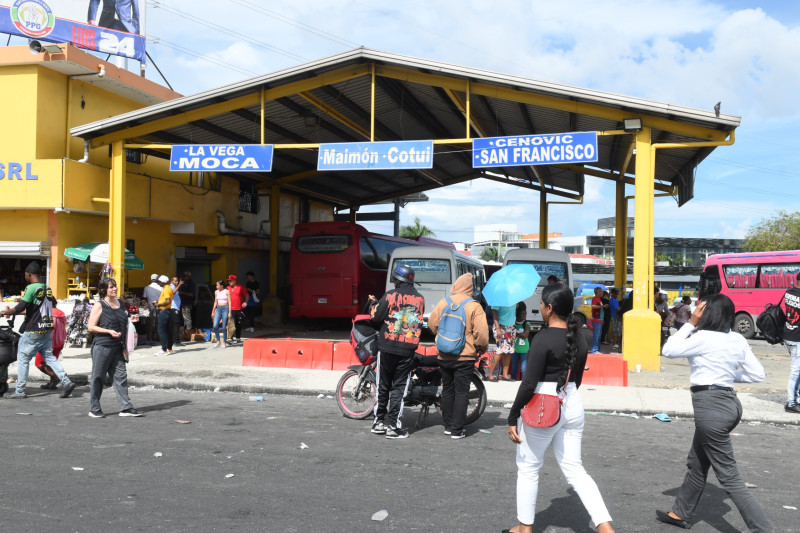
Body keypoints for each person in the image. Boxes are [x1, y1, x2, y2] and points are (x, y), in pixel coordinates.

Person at [505, 283, 614, 533]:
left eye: (542, 304)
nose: (540, 307)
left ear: (550, 308)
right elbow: (576, 379)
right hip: (572, 401)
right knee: (576, 470)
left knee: (529, 468)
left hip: (543, 405)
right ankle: (606, 528)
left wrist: (512, 415)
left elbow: (529, 383)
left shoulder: (542, 338)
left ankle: (525, 529)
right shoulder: (580, 338)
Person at [657, 294, 772, 532]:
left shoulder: (701, 337)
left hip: (710, 407)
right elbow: (757, 375)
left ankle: (764, 529)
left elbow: (668, 350)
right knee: (697, 463)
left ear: (705, 313)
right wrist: (727, 376)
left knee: (729, 477)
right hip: (729, 404)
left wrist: (690, 323)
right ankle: (680, 513)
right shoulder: (738, 339)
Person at [0, 261, 76, 399]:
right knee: (50, 358)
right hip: (46, 330)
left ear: (28, 275)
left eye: (25, 275)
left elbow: (20, 308)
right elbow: (38, 309)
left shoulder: (31, 288)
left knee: (23, 358)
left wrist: (3, 312)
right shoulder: (46, 288)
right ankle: (67, 381)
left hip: (33, 330)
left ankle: (20, 391)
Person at [428, 273, 488, 439]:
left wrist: (442, 335)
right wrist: (481, 347)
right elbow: (482, 333)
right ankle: (457, 430)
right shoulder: (474, 306)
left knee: (447, 390)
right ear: (470, 288)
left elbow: (432, 324)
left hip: (444, 355)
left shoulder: (444, 302)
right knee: (462, 392)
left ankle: (448, 426)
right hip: (465, 357)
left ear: (456, 286)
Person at [368, 263, 424, 439]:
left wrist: (375, 304)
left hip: (386, 348)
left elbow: (376, 317)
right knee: (400, 388)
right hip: (407, 350)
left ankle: (378, 423)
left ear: (397, 280)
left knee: (383, 385)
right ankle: (393, 426)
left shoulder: (390, 296)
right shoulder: (420, 299)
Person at [86, 278, 143, 418]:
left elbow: (121, 322)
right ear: (103, 290)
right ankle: (94, 409)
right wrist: (108, 331)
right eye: (111, 287)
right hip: (102, 346)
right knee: (98, 377)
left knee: (121, 377)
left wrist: (131, 319)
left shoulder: (121, 303)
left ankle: (126, 407)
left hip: (118, 347)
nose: (115, 289)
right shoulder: (100, 305)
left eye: (115, 286)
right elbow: (91, 327)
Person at [35, 308, 66, 389]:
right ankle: (52, 383)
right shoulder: (61, 312)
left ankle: (56, 377)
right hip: (59, 342)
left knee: (38, 363)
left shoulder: (45, 313)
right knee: (51, 364)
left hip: (48, 343)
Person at [783, 272, 800, 414]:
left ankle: (796, 399)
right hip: (797, 338)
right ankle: (791, 402)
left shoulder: (789, 292)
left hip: (789, 334)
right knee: (796, 371)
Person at [489, 303, 517, 381]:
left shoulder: (513, 298)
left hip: (511, 327)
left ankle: (505, 375)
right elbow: (494, 312)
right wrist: (498, 328)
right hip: (501, 327)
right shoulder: (498, 298)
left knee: (509, 352)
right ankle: (489, 374)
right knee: (500, 351)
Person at [153, 275, 174, 356]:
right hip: (167, 311)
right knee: (168, 330)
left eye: (159, 282)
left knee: (161, 330)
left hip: (164, 311)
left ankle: (164, 349)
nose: (158, 283)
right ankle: (169, 349)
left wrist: (158, 304)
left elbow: (168, 301)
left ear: (163, 282)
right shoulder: (168, 288)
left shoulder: (166, 289)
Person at [510, 303, 530, 380]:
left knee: (524, 369)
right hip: (514, 350)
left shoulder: (526, 323)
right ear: (517, 314)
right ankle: (513, 381)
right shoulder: (513, 323)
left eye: (525, 314)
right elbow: (513, 335)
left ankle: (524, 383)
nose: (524, 316)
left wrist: (516, 334)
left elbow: (526, 334)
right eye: (522, 314)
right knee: (514, 368)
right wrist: (520, 334)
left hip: (524, 350)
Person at [227, 275, 248, 344]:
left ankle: (238, 338)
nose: (229, 282)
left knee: (238, 324)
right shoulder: (227, 288)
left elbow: (247, 295)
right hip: (231, 309)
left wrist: (245, 302)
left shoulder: (240, 287)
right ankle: (230, 338)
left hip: (239, 309)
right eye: (229, 281)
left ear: (235, 281)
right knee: (231, 324)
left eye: (230, 280)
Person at [210, 280, 232, 349]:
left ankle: (224, 342)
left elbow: (230, 302)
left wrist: (230, 312)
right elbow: (215, 302)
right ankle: (218, 341)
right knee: (215, 325)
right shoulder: (216, 292)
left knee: (223, 326)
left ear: (222, 286)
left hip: (225, 308)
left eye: (217, 285)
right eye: (216, 285)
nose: (216, 286)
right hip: (218, 308)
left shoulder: (227, 291)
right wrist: (213, 311)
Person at [142, 273, 162, 342]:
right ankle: (158, 338)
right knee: (158, 323)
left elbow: (144, 299)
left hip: (150, 308)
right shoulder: (161, 288)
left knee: (150, 324)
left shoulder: (146, 288)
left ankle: (149, 338)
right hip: (159, 307)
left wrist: (147, 305)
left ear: (151, 279)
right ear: (158, 280)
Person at [589, 287, 604, 353]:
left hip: (599, 320)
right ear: (597, 292)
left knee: (598, 336)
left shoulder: (599, 299)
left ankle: (597, 350)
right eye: (600, 291)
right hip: (596, 320)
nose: (602, 292)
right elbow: (593, 306)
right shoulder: (595, 299)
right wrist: (602, 306)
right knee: (596, 335)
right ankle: (595, 350)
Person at [169, 276, 184, 346]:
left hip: (175, 308)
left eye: (177, 281)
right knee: (176, 324)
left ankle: (173, 340)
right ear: (172, 281)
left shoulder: (174, 286)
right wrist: (179, 285)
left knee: (174, 324)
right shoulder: (171, 286)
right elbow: (172, 293)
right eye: (175, 281)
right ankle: (176, 341)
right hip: (174, 308)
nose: (177, 282)